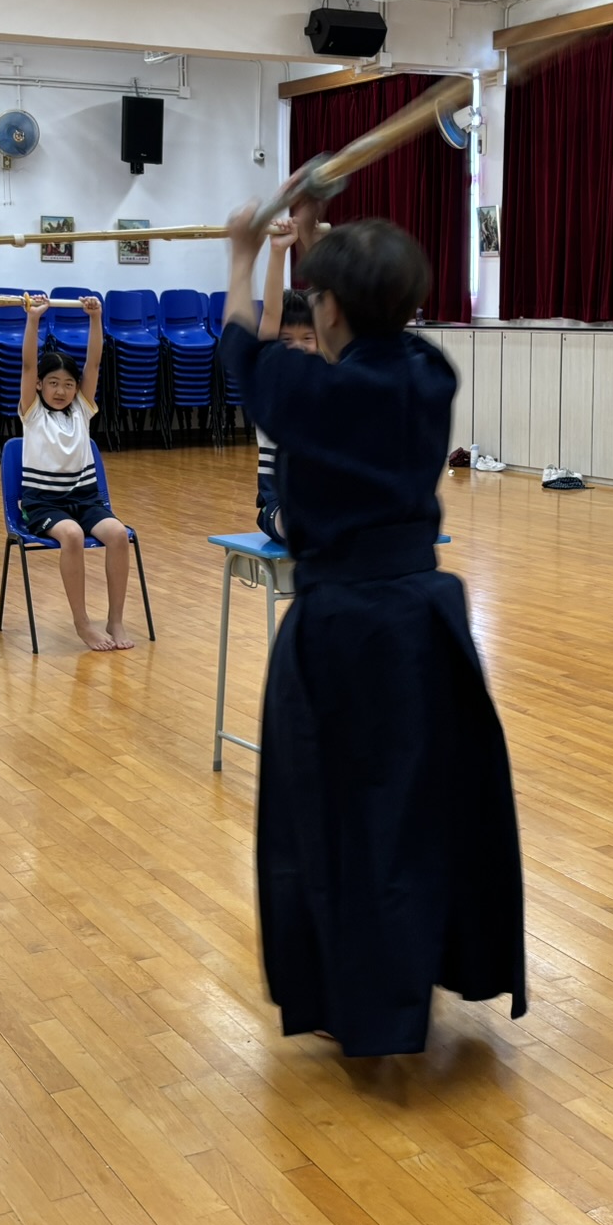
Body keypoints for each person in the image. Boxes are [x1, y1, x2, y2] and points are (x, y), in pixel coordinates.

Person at [218, 188, 526, 1058]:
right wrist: (316, 247)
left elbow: (240, 343)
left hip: (343, 629)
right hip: (425, 622)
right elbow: (365, 332)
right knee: (423, 804)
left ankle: (361, 1001)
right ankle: (428, 966)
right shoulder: (430, 374)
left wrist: (243, 253)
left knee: (342, 815)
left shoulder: (307, 393)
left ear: (328, 308)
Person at [16, 294, 136, 652]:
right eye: (53, 382)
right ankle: (82, 623)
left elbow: (94, 363)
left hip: (85, 499)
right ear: (40, 385)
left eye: (68, 384)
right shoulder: (32, 413)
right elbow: (27, 365)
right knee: (70, 535)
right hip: (43, 503)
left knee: (118, 534)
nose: (61, 390)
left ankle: (115, 619)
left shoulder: (82, 410)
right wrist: (33, 319)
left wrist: (96, 318)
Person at [254, 230, 319, 541]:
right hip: (279, 503)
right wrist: (279, 250)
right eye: (287, 339)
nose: (298, 346)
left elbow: (330, 299)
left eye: (307, 338)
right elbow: (271, 312)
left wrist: (310, 241)